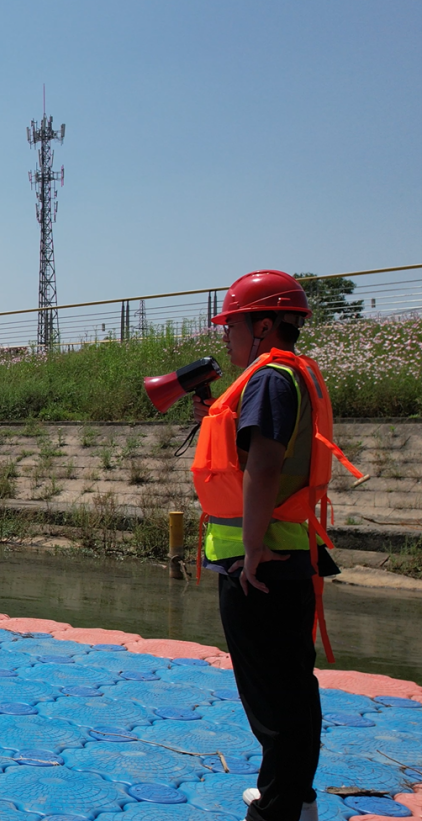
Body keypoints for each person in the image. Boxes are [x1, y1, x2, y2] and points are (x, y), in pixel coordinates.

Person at [191, 270, 359, 821]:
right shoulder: (287, 375)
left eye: (231, 326)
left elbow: (263, 467)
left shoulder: (268, 380)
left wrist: (252, 548)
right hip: (287, 551)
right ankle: (295, 798)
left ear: (262, 326)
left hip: (260, 560)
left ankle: (280, 810)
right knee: (291, 686)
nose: (226, 338)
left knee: (272, 699)